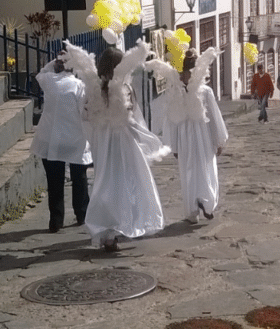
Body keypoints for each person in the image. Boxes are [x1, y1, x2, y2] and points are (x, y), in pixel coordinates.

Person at [61, 41, 170, 251]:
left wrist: (95, 137)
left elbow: (85, 117)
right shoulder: (124, 88)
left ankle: (108, 231)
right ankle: (120, 227)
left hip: (102, 145)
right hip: (123, 145)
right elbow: (131, 118)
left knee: (105, 186)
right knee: (127, 185)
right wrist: (148, 139)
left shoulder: (92, 90)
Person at [150, 48, 229, 223]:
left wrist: (173, 145)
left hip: (185, 138)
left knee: (188, 173)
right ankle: (207, 203)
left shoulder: (176, 90)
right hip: (203, 137)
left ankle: (192, 211)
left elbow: (172, 120)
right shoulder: (205, 91)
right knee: (207, 169)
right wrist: (219, 140)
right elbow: (214, 117)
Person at [31, 57, 91, 233]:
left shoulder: (48, 81)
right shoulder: (79, 86)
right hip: (74, 137)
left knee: (54, 180)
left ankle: (56, 220)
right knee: (79, 177)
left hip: (50, 138)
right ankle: (82, 214)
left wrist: (54, 61)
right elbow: (84, 112)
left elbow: (41, 73)